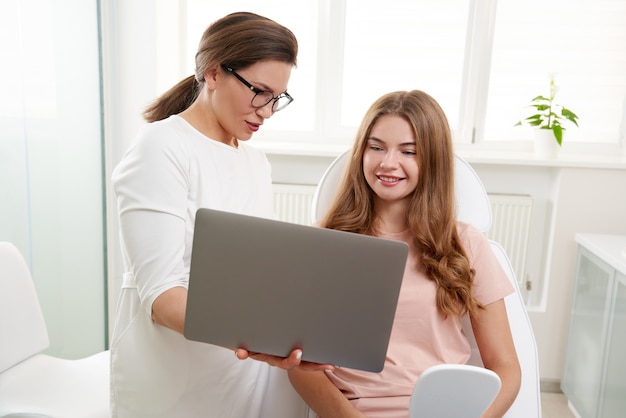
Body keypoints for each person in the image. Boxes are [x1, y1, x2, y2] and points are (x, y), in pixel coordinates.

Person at [110, 11, 331, 418]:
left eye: (277, 98)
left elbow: (253, 270)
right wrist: (263, 339)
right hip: (179, 377)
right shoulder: (160, 149)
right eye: (259, 91)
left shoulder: (254, 161)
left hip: (241, 370)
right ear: (213, 73)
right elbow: (162, 298)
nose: (266, 111)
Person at [287, 90, 521, 418]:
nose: (388, 163)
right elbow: (300, 365)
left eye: (408, 151)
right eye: (376, 147)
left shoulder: (466, 243)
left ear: (432, 160)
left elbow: (506, 367)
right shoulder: (323, 241)